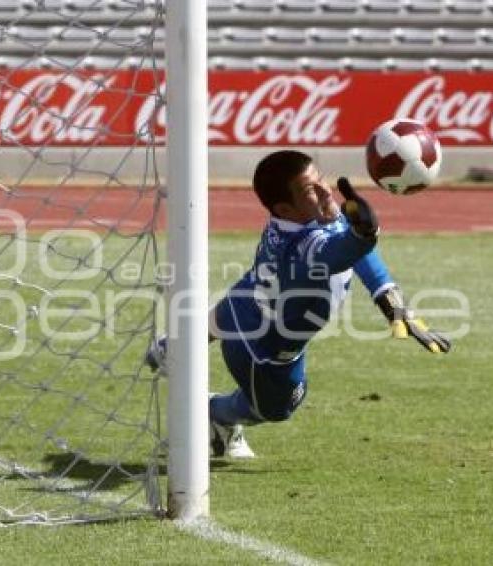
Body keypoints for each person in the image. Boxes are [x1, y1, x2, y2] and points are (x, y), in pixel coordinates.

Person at [147, 150, 451, 458]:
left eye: (321, 181)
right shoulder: (304, 248)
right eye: (310, 191)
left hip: (248, 300)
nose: (325, 193)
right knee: (279, 408)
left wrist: (391, 302)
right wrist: (364, 234)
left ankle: (175, 345)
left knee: (240, 302)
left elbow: (346, 236)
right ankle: (213, 414)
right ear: (284, 208)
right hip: (262, 352)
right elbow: (342, 249)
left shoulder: (300, 219)